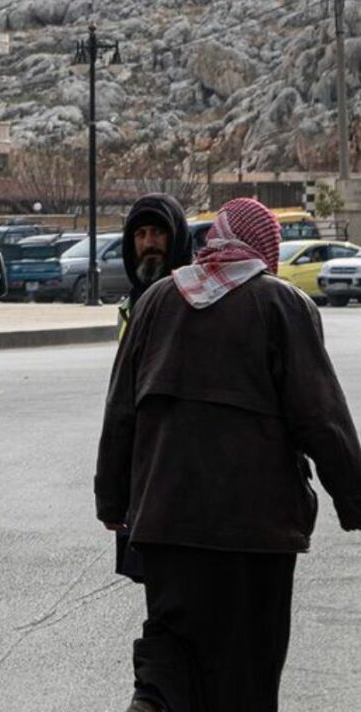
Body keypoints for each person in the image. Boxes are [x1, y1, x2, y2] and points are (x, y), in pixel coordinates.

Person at [95, 197, 361, 712]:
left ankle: (154, 700)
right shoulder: (282, 305)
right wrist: (355, 500)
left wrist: (113, 503)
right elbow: (322, 419)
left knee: (170, 652)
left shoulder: (155, 302)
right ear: (265, 249)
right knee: (245, 675)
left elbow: (120, 411)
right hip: (253, 534)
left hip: (166, 524)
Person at [117, 194, 193, 339]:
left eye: (157, 232)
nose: (148, 243)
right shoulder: (129, 307)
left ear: (177, 238)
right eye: (140, 234)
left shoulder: (197, 300)